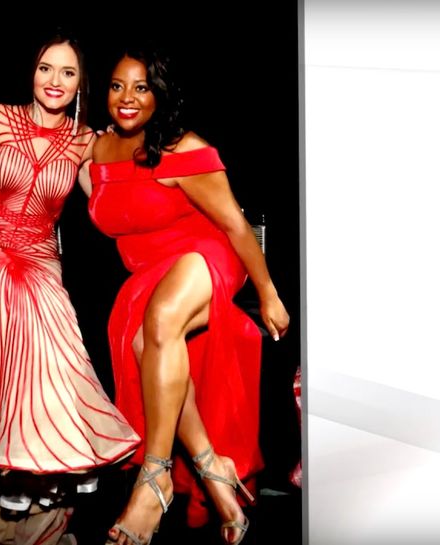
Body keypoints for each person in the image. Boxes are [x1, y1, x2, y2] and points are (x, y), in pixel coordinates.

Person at [0, 34, 140, 544]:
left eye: (68, 72)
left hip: (39, 254)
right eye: (46, 68)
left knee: (43, 307)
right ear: (31, 72)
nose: (55, 81)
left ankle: (33, 461)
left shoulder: (84, 141)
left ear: (81, 83)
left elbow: (104, 205)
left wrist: (124, 162)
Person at [83, 47, 290, 545]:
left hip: (206, 253)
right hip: (149, 270)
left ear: (159, 94)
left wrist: (268, 293)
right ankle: (213, 469)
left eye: (141, 87)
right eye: (117, 86)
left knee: (158, 321)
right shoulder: (96, 149)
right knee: (145, 343)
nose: (127, 98)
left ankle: (153, 479)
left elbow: (236, 225)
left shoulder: (184, 149)